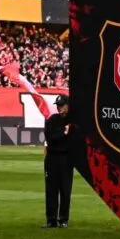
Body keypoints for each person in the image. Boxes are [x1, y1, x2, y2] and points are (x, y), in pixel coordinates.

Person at [43, 94, 73, 228]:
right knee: (51, 190)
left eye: (62, 105)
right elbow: (50, 137)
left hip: (66, 159)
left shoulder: (73, 121)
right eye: (58, 105)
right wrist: (65, 132)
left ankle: (64, 219)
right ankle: (51, 219)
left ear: (68, 106)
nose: (59, 108)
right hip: (52, 158)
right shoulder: (52, 120)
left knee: (65, 190)